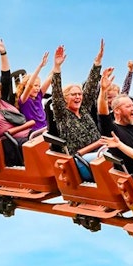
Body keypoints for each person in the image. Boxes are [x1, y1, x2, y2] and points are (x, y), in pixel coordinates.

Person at [50, 40, 109, 182]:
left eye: (79, 94)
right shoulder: (62, 114)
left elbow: (91, 86)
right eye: (73, 94)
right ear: (65, 98)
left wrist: (97, 62)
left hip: (100, 150)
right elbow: (56, 91)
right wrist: (57, 67)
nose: (78, 97)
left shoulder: (84, 109)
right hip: (81, 159)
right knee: (108, 159)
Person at [98, 67, 133, 172]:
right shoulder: (112, 131)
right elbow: (103, 114)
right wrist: (103, 90)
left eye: (132, 106)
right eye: (128, 107)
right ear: (117, 111)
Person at [15, 50, 52, 133]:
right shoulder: (24, 100)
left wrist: (57, 65)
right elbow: (29, 85)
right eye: (35, 86)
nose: (37, 88)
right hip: (36, 132)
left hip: (46, 128)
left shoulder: (39, 95)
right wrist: (40, 66)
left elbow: (49, 78)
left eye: (39, 86)